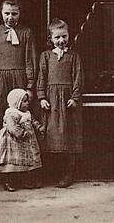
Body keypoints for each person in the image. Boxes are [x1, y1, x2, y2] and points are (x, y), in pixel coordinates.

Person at [0, 0, 38, 168]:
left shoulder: (26, 33)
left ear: (19, 14)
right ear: (1, 13)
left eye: (14, 13)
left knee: (20, 122)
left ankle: (22, 167)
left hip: (19, 82)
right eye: (7, 13)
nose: (10, 17)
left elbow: (30, 60)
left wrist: (29, 86)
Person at [38, 18, 83, 188]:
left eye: (64, 36)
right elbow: (41, 77)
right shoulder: (46, 56)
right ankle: (51, 172)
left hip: (67, 102)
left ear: (69, 36)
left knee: (68, 136)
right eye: (57, 37)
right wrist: (42, 97)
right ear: (50, 38)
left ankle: (68, 172)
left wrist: (74, 97)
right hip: (51, 102)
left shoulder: (74, 57)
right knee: (50, 136)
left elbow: (78, 78)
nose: (61, 40)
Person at [0, 88, 45, 191]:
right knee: (13, 163)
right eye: (24, 101)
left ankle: (27, 181)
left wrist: (39, 127)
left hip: (27, 142)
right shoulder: (11, 113)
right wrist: (21, 133)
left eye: (27, 101)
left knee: (26, 163)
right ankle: (9, 181)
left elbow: (33, 121)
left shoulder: (27, 113)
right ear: (16, 102)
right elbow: (12, 127)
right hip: (14, 142)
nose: (27, 104)